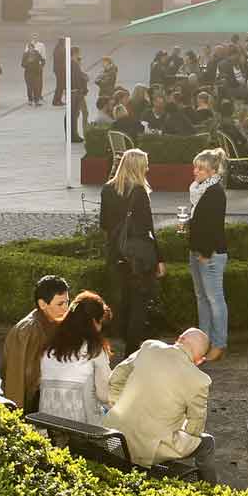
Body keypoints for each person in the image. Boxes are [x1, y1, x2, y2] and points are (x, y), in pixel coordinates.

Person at [107, 327, 218, 482]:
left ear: (179, 339)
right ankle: (211, 492)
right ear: (200, 360)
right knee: (207, 443)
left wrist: (117, 404)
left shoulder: (149, 347)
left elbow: (116, 377)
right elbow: (195, 426)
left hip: (113, 435)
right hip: (149, 451)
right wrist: (180, 431)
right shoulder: (199, 380)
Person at [102, 148, 164, 350]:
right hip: (138, 256)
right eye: (145, 164)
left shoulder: (108, 189)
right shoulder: (139, 192)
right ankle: (132, 348)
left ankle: (122, 341)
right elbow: (148, 228)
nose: (148, 168)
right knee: (139, 302)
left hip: (116, 252)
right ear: (138, 167)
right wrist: (159, 258)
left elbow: (103, 223)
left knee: (123, 299)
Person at [38, 291, 114, 425]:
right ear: (93, 321)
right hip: (83, 432)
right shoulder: (94, 350)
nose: (100, 327)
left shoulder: (50, 347)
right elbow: (105, 395)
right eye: (100, 322)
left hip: (48, 430)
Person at [1, 274, 72, 414]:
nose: (65, 308)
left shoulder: (55, 322)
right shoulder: (27, 331)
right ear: (42, 304)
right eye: (60, 304)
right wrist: (16, 420)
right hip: (29, 402)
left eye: (67, 302)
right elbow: (16, 380)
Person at [184, 148, 229, 363]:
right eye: (195, 167)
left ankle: (219, 344)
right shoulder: (199, 190)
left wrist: (204, 252)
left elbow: (213, 226)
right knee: (202, 299)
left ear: (212, 171)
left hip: (209, 254)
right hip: (197, 251)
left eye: (201, 168)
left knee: (214, 299)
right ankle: (203, 341)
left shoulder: (215, 192)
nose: (196, 171)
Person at [22, 41, 45, 106]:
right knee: (29, 87)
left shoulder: (37, 53)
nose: (31, 50)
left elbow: (42, 60)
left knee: (36, 87)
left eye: (32, 48)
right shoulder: (25, 54)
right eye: (29, 48)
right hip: (28, 73)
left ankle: (36, 101)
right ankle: (30, 100)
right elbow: (22, 64)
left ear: (33, 48)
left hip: (36, 73)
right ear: (28, 49)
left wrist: (41, 66)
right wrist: (27, 62)